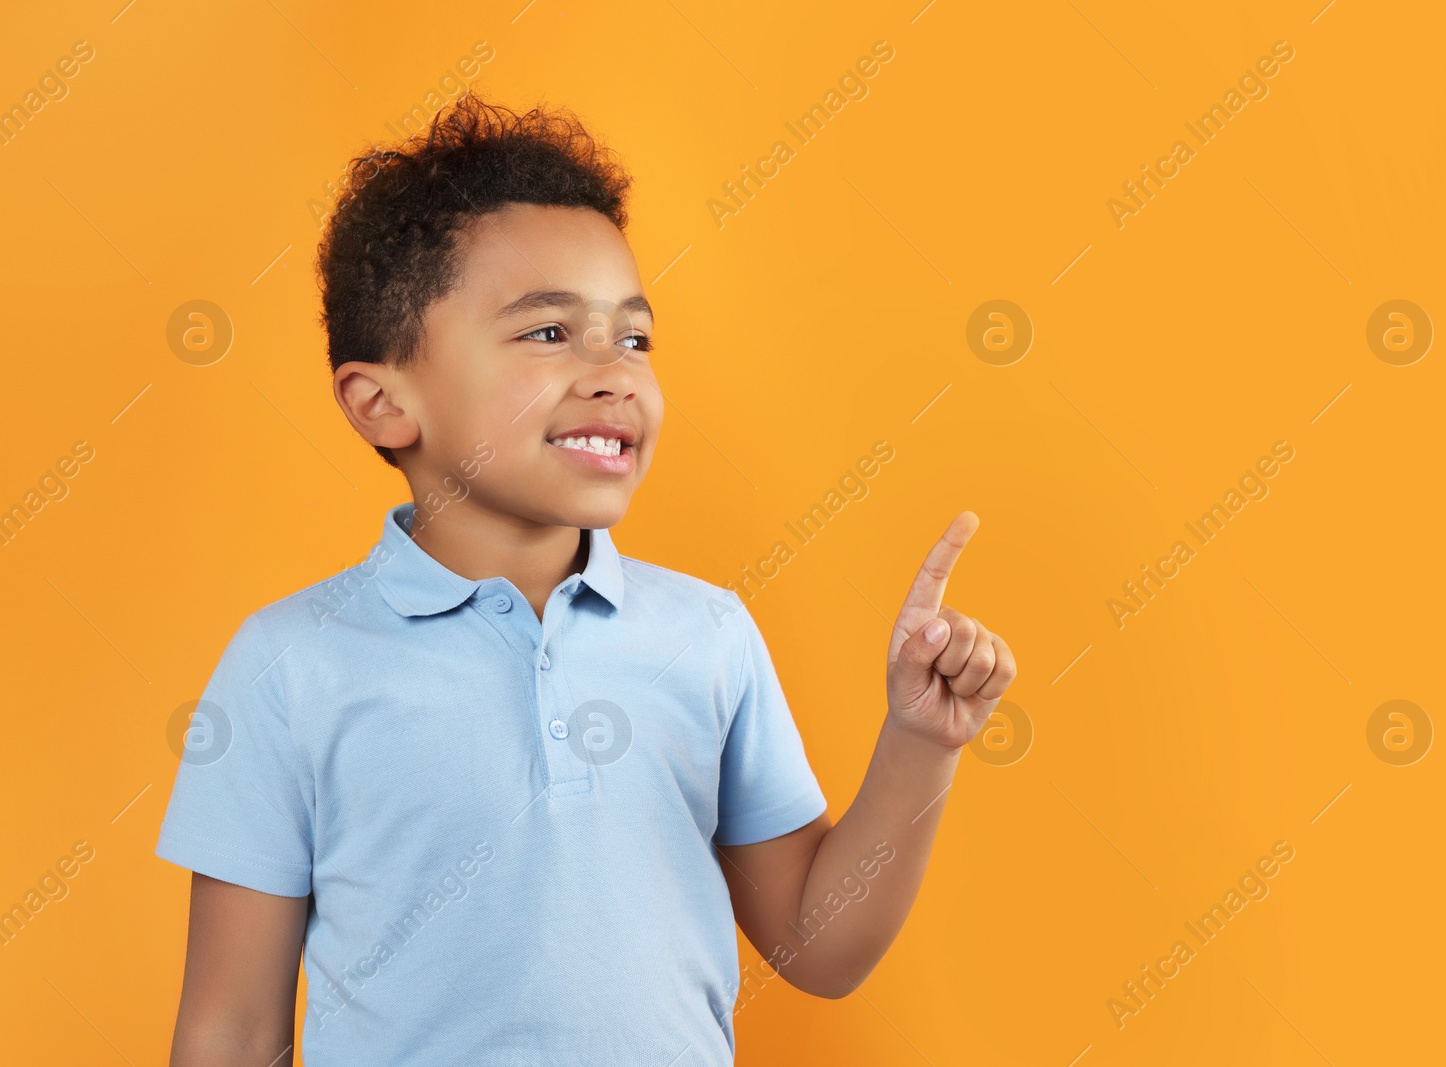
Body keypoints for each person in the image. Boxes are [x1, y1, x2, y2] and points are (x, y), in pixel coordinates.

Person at [156, 90, 1016, 1067]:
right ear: (383, 402)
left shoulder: (707, 635)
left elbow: (818, 948)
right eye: (549, 332)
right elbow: (231, 1028)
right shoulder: (291, 664)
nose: (614, 371)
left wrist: (918, 741)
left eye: (635, 337)